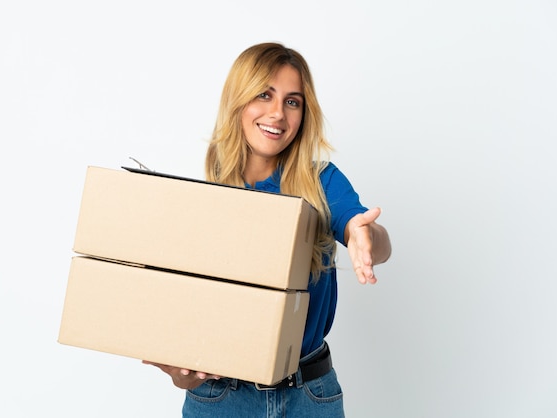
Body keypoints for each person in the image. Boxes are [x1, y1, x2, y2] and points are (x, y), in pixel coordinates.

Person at [145, 42, 392, 417]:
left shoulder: (321, 182)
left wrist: (365, 236)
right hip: (220, 399)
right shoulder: (204, 202)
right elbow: (184, 334)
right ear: (238, 102)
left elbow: (361, 227)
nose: (277, 114)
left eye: (292, 102)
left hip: (309, 396)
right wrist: (181, 374)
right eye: (264, 95)